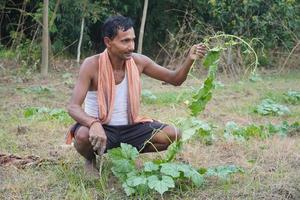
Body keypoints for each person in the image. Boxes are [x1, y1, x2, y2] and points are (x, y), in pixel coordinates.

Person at [66, 15, 207, 175]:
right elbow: (73, 107)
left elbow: (175, 79)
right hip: (101, 128)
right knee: (83, 135)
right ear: (108, 42)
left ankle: (127, 150)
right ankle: (90, 160)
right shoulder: (92, 65)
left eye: (132, 40)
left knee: (173, 134)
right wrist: (93, 124)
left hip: (130, 127)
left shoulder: (139, 62)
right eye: (125, 41)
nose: (131, 46)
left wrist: (190, 59)